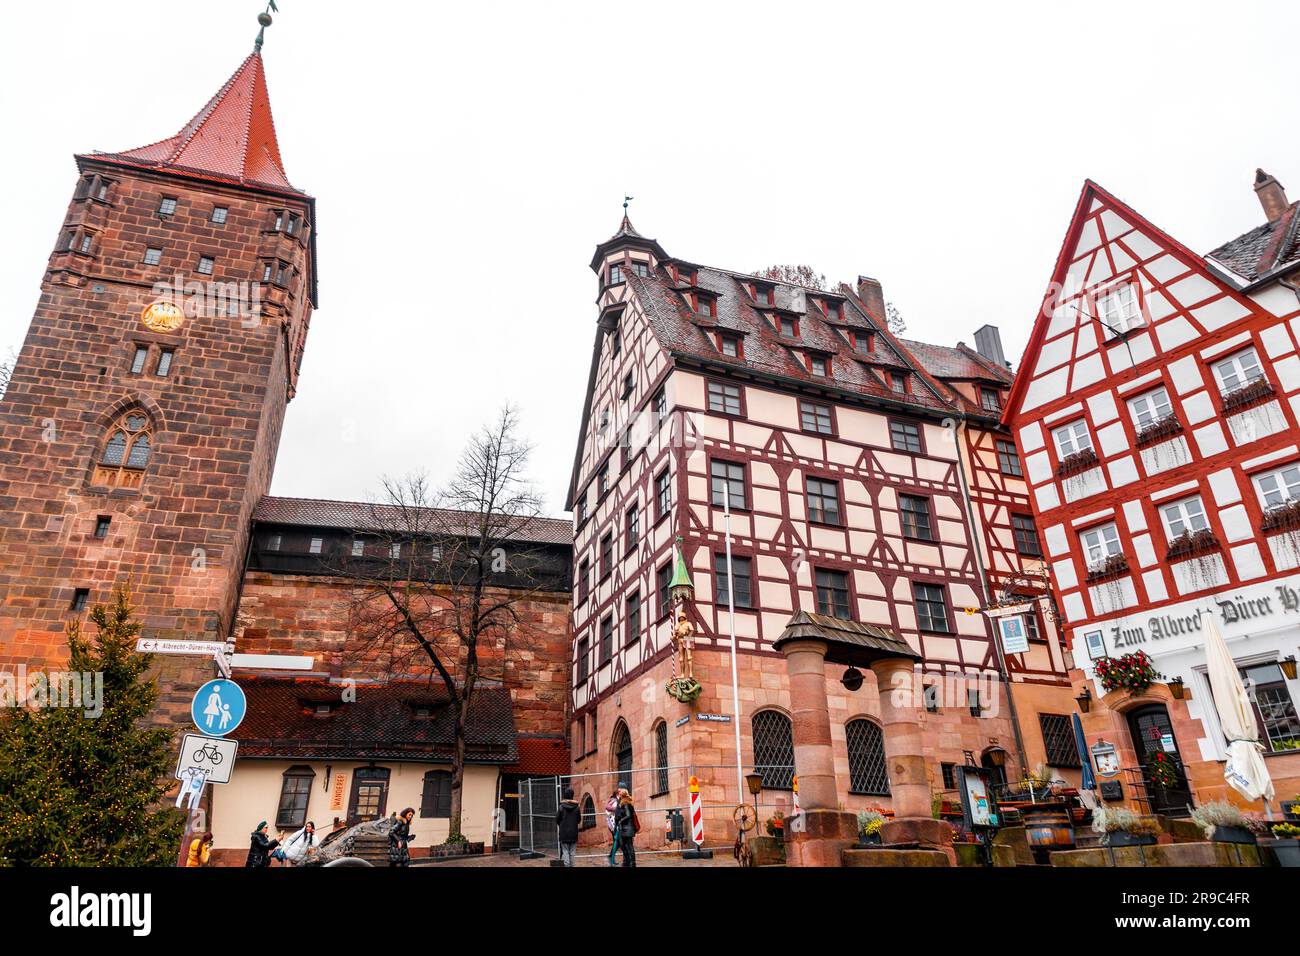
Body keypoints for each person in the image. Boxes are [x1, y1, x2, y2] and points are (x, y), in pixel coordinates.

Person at [554, 788, 580, 867]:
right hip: (574, 833)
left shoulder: (561, 807)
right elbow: (579, 820)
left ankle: (567, 865)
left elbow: (557, 820)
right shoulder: (577, 808)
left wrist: (562, 825)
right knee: (572, 852)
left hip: (564, 833)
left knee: (565, 851)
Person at [614, 788, 639, 867]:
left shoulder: (626, 804)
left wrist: (621, 820)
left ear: (622, 795)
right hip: (625, 828)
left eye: (620, 794)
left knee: (629, 845)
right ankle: (627, 861)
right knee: (623, 845)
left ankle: (632, 863)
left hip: (627, 828)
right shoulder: (624, 803)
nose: (619, 795)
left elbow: (628, 815)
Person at [604, 788, 621, 867]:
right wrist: (616, 809)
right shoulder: (614, 800)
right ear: (617, 794)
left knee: (616, 842)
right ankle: (611, 857)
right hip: (613, 825)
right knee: (617, 842)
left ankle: (612, 858)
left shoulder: (616, 800)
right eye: (620, 793)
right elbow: (607, 808)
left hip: (615, 824)